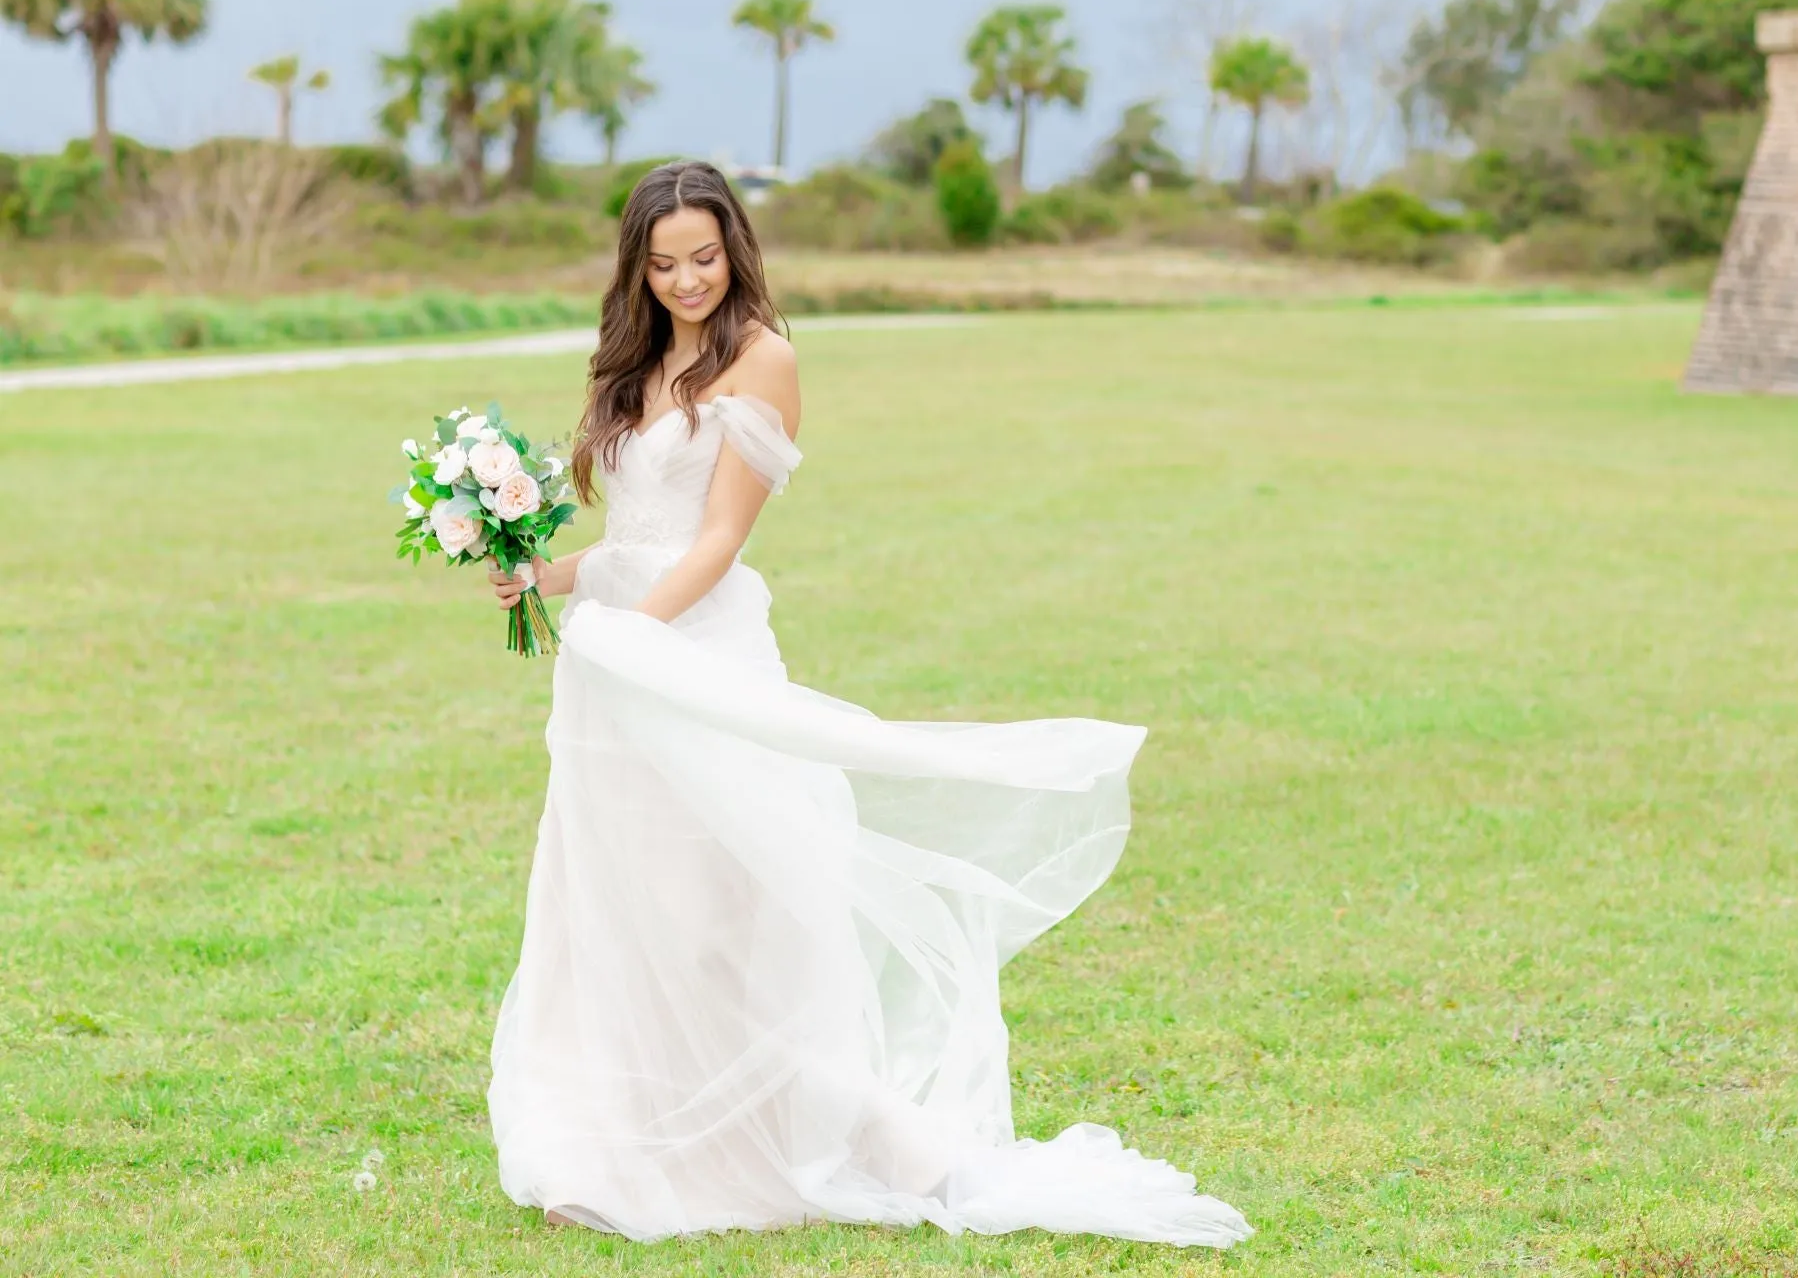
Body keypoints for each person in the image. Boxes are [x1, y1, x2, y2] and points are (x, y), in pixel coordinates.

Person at [481, 160, 1248, 1246]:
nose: (685, 280)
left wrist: (641, 636)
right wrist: (541, 577)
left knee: (715, 913)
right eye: (662, 265)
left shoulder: (764, 358)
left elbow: (717, 541)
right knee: (618, 901)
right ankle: (616, 1150)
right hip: (616, 671)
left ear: (733, 249)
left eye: (702, 257)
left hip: (697, 659)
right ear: (636, 269)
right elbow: (631, 540)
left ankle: (775, 1146)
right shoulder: (638, 361)